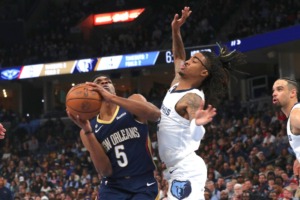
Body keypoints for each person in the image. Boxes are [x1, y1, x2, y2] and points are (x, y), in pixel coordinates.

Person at [157, 6, 246, 200]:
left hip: (186, 168)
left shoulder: (193, 98)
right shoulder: (176, 84)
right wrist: (176, 30)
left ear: (204, 73)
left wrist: (197, 124)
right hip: (175, 169)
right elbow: (179, 55)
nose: (187, 61)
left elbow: (196, 134)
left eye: (194, 61)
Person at [67, 74, 161, 200]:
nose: (104, 83)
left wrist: (112, 98)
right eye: (99, 82)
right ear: (91, 92)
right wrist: (88, 132)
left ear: (114, 89)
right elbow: (105, 171)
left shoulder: (133, 101)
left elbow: (155, 115)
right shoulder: (88, 129)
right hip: (113, 186)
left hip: (143, 182)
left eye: (108, 81)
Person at [272, 77, 300, 183]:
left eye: (279, 89)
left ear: (292, 93)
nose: (274, 93)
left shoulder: (295, 114)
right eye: (273, 90)